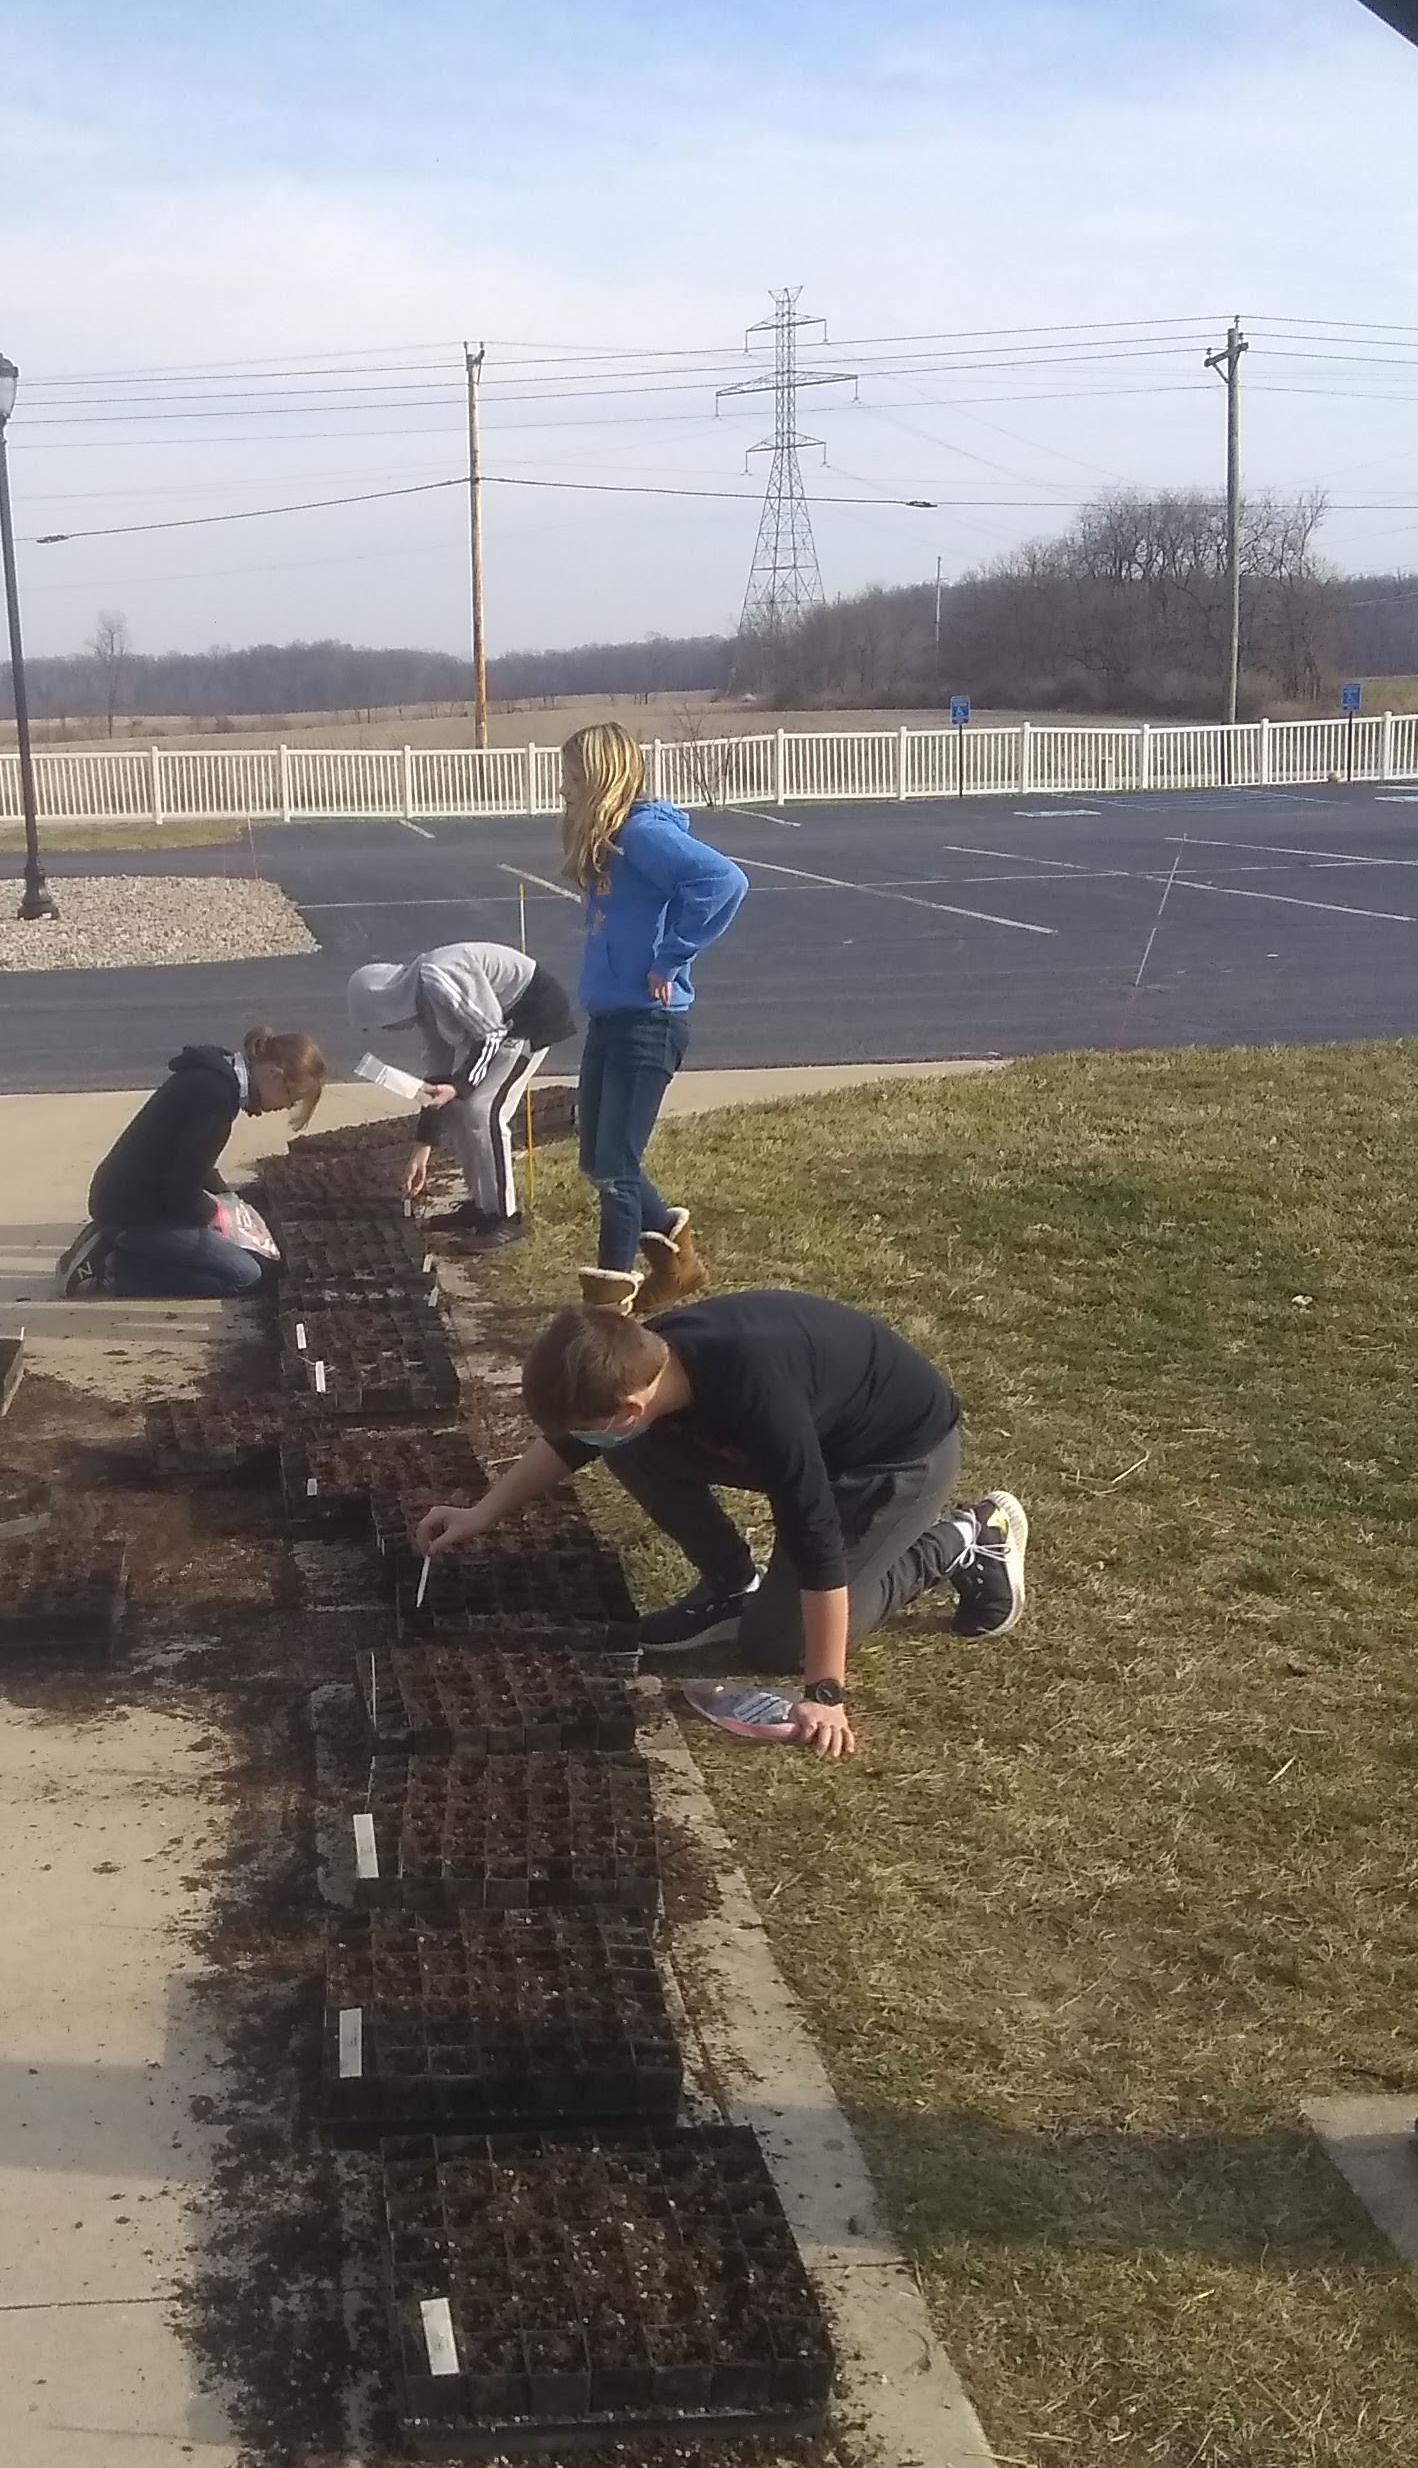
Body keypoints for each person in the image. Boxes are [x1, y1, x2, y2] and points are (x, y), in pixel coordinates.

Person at [413, 1289, 1027, 1757]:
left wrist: (824, 1692)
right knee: (629, 1448)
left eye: (591, 1427)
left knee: (776, 1644)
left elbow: (815, 1538)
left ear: (630, 1405)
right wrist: (481, 1513)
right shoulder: (645, 1364)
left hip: (890, 1460)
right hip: (814, 1436)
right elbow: (576, 1443)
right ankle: (731, 1585)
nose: (584, 1438)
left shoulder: (760, 1400)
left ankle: (966, 1537)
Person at [562, 721, 749, 1320]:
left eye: (572, 777)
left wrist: (671, 958)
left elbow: (723, 881)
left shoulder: (642, 833)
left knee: (617, 1170)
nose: (563, 789)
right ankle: (675, 1254)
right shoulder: (612, 841)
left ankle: (608, 1314)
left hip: (649, 1023)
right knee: (598, 1161)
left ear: (601, 777)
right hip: (611, 1018)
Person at [57, 1028, 329, 1298]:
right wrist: (216, 1218)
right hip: (136, 1213)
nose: (286, 1108)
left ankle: (113, 1240)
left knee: (232, 1251)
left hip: (122, 1198)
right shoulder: (216, 1100)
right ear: (275, 1076)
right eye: (292, 1099)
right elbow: (180, 1192)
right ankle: (110, 1266)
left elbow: (193, 1161)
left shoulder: (215, 1078)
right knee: (246, 1274)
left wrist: (228, 1199)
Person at [345, 940, 574, 1250]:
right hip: (502, 1026)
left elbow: (491, 1033)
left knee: (484, 1111)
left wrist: (460, 1085)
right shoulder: (425, 1003)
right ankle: (482, 1207)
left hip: (531, 1015)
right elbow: (436, 1076)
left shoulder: (439, 976)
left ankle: (505, 1218)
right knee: (456, 1107)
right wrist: (422, 1148)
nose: (388, 1031)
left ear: (385, 1004)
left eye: (380, 1024)